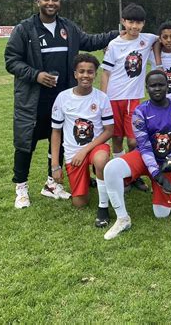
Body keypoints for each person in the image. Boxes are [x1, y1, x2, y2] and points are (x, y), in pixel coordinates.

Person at [5, 0, 118, 209]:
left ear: (59, 2)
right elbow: (11, 60)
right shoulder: (25, 29)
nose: (51, 3)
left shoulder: (68, 27)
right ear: (38, 1)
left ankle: (51, 183)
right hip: (33, 100)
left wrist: (118, 34)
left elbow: (91, 41)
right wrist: (36, 75)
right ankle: (21, 188)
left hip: (63, 99)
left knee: (57, 139)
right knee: (26, 143)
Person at [103, 70, 171, 240]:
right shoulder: (140, 111)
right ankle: (122, 219)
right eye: (153, 85)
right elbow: (145, 147)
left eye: (161, 84)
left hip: (167, 162)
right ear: (147, 88)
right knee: (111, 168)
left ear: (168, 86)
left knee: (161, 214)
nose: (157, 88)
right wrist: (157, 175)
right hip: (145, 157)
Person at [100, 3, 159, 192]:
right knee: (117, 138)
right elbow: (106, 73)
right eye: (130, 22)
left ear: (143, 23)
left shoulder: (147, 39)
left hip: (133, 100)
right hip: (113, 99)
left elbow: (168, 36)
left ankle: (133, 172)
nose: (134, 26)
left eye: (138, 23)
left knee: (134, 140)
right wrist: (103, 99)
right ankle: (123, 176)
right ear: (123, 22)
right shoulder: (114, 44)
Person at [50, 54, 113, 226]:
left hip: (95, 147)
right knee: (80, 203)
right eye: (82, 71)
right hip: (73, 152)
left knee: (101, 160)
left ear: (95, 74)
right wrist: (55, 166)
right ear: (75, 74)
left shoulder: (102, 98)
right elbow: (56, 132)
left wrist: (84, 151)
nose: (86, 75)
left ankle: (103, 206)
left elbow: (109, 131)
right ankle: (89, 178)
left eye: (90, 72)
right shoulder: (63, 97)